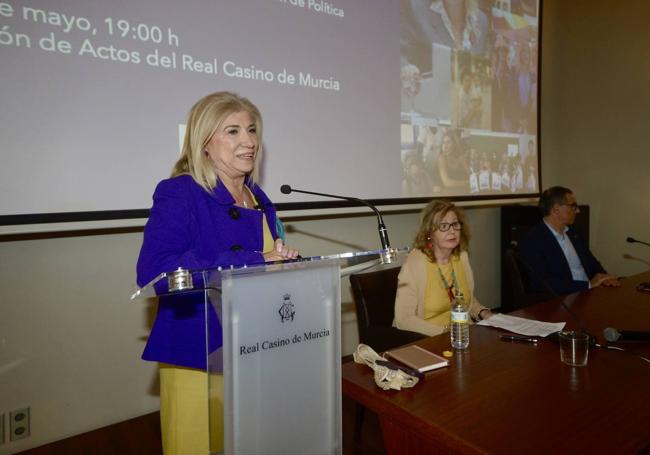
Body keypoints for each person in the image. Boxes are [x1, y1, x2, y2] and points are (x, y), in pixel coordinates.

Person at [136, 91, 299, 454]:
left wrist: (285, 264)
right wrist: (258, 259)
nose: (249, 141)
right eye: (233, 131)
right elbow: (156, 271)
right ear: (205, 142)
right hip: (198, 346)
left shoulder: (258, 197)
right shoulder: (180, 193)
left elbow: (266, 260)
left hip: (253, 343)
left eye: (252, 130)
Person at [393, 200, 493, 336]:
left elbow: (463, 299)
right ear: (429, 233)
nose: (452, 231)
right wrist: (445, 332)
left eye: (455, 224)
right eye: (444, 226)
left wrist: (482, 312)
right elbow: (403, 320)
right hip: (428, 340)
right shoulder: (415, 262)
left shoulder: (461, 256)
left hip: (464, 335)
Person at [519, 186, 620, 296]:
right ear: (556, 210)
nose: (578, 210)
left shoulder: (573, 232)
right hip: (563, 299)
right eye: (573, 206)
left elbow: (591, 261)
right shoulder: (533, 239)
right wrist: (588, 285)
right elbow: (541, 282)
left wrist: (605, 278)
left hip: (589, 292)